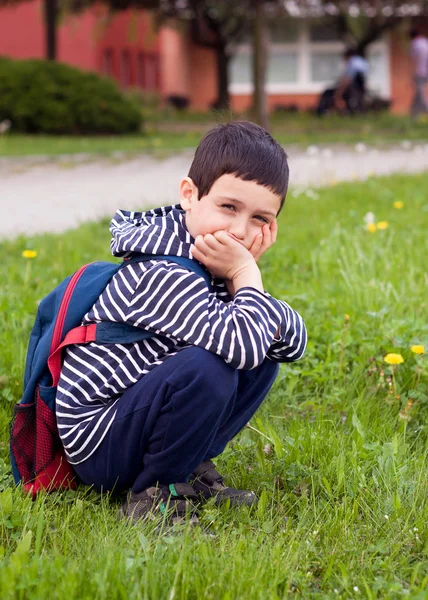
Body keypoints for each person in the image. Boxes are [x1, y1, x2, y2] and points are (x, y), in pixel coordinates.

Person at [55, 121, 307, 527]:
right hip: (99, 444)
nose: (240, 231)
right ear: (190, 194)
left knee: (261, 355)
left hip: (133, 421)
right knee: (213, 367)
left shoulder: (211, 257)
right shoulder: (164, 269)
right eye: (229, 207)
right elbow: (241, 344)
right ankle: (156, 495)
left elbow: (290, 344)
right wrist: (245, 273)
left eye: (260, 218)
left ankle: (187, 466)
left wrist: (242, 278)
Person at [409, 28, 428, 118]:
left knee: (420, 93)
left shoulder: (415, 44)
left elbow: (414, 60)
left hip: (419, 72)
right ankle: (414, 114)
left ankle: (425, 109)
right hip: (425, 71)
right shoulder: (425, 42)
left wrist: (412, 74)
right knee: (418, 93)